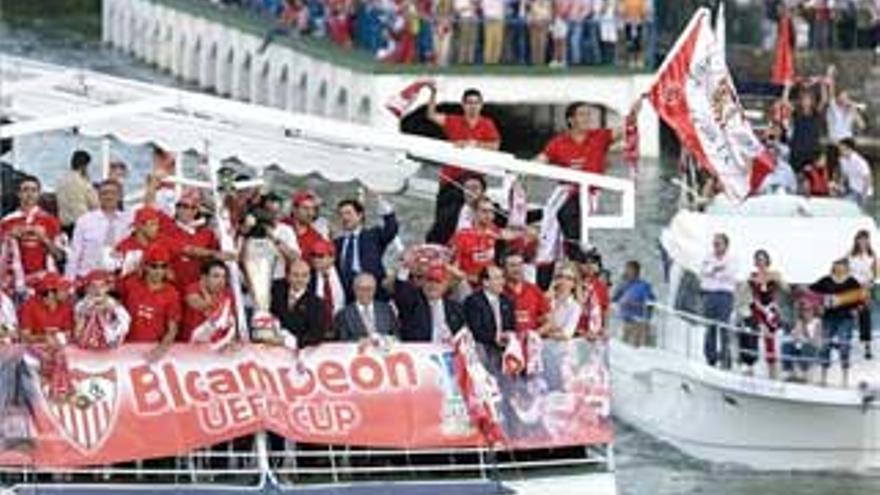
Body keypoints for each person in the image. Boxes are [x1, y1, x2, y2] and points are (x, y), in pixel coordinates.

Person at [536, 101, 636, 263]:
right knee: (548, 220)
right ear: (571, 120)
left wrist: (633, 113)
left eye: (589, 114)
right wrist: (521, 168)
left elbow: (625, 128)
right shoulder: (558, 142)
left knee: (565, 213)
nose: (588, 118)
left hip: (587, 193)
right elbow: (541, 160)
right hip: (564, 192)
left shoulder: (600, 137)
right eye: (582, 114)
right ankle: (561, 256)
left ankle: (576, 252)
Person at [425, 87, 501, 244]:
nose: (473, 107)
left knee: (472, 215)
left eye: (476, 103)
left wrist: (474, 144)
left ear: (481, 105)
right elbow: (431, 115)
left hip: (474, 178)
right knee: (443, 218)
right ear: (463, 105)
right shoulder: (454, 120)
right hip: (451, 178)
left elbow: (495, 145)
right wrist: (433, 93)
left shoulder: (487, 124)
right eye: (469, 103)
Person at [0, 176, 66, 297]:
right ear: (18, 194)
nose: (29, 194)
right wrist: (8, 236)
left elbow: (60, 256)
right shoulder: (7, 221)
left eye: (33, 190)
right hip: (12, 283)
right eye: (25, 190)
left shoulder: (49, 221)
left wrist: (44, 238)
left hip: (43, 282)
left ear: (39, 194)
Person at [18, 273, 75, 401]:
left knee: (62, 355)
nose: (67, 292)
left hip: (58, 346)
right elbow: (24, 336)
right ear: (51, 292)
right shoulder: (29, 305)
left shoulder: (66, 305)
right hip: (33, 349)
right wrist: (44, 337)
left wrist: (58, 337)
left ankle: (61, 390)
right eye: (63, 289)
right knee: (52, 357)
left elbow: (69, 333)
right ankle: (57, 392)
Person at [118, 245, 181, 362]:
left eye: (163, 266)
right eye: (154, 266)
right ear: (145, 266)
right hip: (125, 347)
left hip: (152, 349)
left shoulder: (172, 293)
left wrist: (160, 350)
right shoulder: (130, 284)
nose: (159, 271)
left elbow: (172, 329)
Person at [809, 258, 864, 387]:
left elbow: (862, 298)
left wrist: (856, 310)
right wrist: (818, 306)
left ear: (846, 267)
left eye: (841, 265)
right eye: (836, 265)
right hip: (828, 318)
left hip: (846, 319)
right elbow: (811, 292)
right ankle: (823, 378)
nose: (839, 268)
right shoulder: (826, 280)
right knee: (824, 346)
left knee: (844, 346)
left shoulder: (852, 282)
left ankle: (845, 379)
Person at [167, 189, 232, 293]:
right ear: (177, 208)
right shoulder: (167, 228)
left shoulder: (207, 234)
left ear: (197, 211)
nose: (187, 210)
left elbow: (218, 260)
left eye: (192, 207)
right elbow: (186, 249)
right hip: (174, 289)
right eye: (183, 206)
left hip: (198, 290)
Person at [334, 196, 398, 302]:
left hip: (374, 292)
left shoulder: (373, 235)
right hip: (347, 295)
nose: (344, 218)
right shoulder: (337, 243)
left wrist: (380, 200)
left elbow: (391, 228)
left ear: (360, 215)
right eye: (341, 214)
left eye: (348, 213)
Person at [67, 180, 132, 281]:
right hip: (88, 278)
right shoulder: (85, 220)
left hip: (119, 278)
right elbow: (74, 254)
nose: (109, 197)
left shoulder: (129, 220)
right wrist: (69, 283)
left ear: (120, 196)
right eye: (104, 193)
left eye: (113, 193)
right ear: (99, 196)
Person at [740, 250, 787, 378]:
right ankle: (750, 364)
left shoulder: (774, 275)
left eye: (763, 259)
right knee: (753, 331)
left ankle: (772, 371)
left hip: (770, 309)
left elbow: (785, 288)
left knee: (770, 337)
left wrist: (778, 279)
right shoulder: (753, 275)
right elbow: (743, 291)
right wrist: (749, 281)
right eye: (758, 260)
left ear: (767, 261)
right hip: (757, 308)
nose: (760, 262)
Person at [449, 196, 505, 293]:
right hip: (469, 284)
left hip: (491, 282)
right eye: (484, 211)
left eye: (491, 212)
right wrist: (468, 277)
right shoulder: (462, 236)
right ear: (474, 213)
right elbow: (451, 267)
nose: (489, 215)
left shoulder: (494, 231)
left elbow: (512, 233)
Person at [397, 265, 465, 343]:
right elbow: (402, 292)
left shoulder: (455, 308)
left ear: (445, 286)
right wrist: (405, 267)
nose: (433, 285)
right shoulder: (413, 302)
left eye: (438, 282)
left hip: (447, 350)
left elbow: (462, 334)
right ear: (423, 283)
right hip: (420, 351)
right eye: (429, 280)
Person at [271, 259, 329, 348]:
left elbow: (316, 335)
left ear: (309, 278)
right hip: (273, 349)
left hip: (300, 354)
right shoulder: (275, 293)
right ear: (287, 276)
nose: (300, 279)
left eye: (304, 275)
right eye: (295, 275)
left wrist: (290, 341)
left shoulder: (317, 304)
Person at [700, 233, 737, 369]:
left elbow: (729, 274)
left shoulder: (732, 259)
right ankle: (710, 358)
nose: (715, 246)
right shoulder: (708, 257)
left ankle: (726, 359)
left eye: (718, 243)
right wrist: (716, 269)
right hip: (709, 294)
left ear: (726, 245)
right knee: (710, 327)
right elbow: (704, 271)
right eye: (714, 243)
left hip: (725, 295)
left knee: (724, 327)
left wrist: (714, 271)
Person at [181, 260, 237, 345]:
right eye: (216, 276)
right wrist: (205, 292)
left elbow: (231, 323)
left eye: (224, 277)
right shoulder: (193, 289)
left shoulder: (228, 294)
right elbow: (201, 305)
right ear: (204, 278)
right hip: (191, 347)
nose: (221, 281)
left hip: (217, 346)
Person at [334, 273, 399, 342]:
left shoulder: (386, 310)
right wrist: (362, 342)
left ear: (375, 289)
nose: (365, 292)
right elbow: (343, 340)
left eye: (369, 289)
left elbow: (396, 336)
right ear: (354, 289)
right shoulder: (343, 314)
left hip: (383, 351)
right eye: (361, 289)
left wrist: (385, 341)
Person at [73, 269, 130, 349]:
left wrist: (113, 310)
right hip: (86, 351)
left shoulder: (115, 305)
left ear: (107, 288)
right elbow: (77, 333)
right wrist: (86, 313)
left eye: (102, 286)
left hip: (109, 351)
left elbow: (125, 325)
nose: (97, 290)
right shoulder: (80, 306)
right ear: (87, 288)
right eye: (93, 286)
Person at [464, 265, 516, 349]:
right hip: (483, 345)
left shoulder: (507, 300)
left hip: (505, 345)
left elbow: (511, 325)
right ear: (486, 282)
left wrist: (507, 335)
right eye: (497, 278)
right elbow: (475, 330)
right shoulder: (474, 301)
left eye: (502, 278)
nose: (502, 282)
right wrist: (494, 338)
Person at [114, 206, 174, 278]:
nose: (157, 228)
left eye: (157, 224)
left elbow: (170, 274)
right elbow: (117, 276)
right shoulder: (123, 247)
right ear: (140, 226)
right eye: (153, 224)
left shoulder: (162, 243)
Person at [502, 251, 550, 335]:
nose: (517, 269)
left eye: (520, 265)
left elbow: (549, 320)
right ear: (503, 268)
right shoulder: (498, 291)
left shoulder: (534, 290)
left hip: (531, 342)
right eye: (512, 265)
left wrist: (535, 335)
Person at [55, 150, 98, 237]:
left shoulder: (61, 180)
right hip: (82, 225)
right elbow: (95, 205)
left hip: (64, 225)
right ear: (84, 166)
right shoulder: (83, 182)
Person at [848, 230, 876, 360]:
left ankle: (867, 346)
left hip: (865, 288)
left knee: (865, 316)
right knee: (849, 315)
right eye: (860, 239)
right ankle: (845, 343)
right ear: (856, 240)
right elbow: (844, 271)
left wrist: (869, 284)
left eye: (865, 239)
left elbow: (875, 274)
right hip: (852, 288)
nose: (863, 242)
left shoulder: (872, 256)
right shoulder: (850, 255)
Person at [613, 260, 655, 347]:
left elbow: (650, 303)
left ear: (636, 271)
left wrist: (646, 319)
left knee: (634, 349)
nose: (626, 271)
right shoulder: (624, 285)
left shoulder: (643, 286)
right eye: (626, 269)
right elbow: (615, 298)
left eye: (629, 269)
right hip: (624, 321)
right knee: (623, 347)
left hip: (637, 322)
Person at [788, 80, 828, 172]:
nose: (806, 102)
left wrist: (822, 84)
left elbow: (824, 100)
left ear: (812, 100)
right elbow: (785, 102)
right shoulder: (797, 113)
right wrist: (788, 86)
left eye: (808, 99)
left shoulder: (816, 113)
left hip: (812, 148)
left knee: (812, 175)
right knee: (796, 173)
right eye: (804, 99)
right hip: (797, 149)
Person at [284, 190, 330, 261]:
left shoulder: (316, 238)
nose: (310, 213)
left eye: (313, 209)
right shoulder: (280, 225)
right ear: (294, 209)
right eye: (305, 208)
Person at [781, 301, 820, 383]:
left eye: (809, 310)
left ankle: (804, 375)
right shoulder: (800, 321)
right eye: (805, 310)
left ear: (813, 311)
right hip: (799, 346)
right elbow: (795, 335)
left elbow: (816, 340)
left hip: (810, 347)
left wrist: (805, 338)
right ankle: (789, 372)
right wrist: (796, 334)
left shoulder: (817, 322)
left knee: (806, 347)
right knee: (786, 346)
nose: (806, 312)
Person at [309, 239, 345, 326]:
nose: (315, 259)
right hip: (318, 326)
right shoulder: (309, 276)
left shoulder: (344, 273)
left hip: (342, 324)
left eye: (320, 256)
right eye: (313, 255)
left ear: (332, 258)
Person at [826, 66, 866, 143]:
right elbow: (831, 93)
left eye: (846, 97)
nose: (844, 99)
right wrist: (830, 74)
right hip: (835, 144)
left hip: (848, 145)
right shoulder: (833, 107)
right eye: (842, 97)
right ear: (837, 98)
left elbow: (862, 125)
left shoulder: (851, 111)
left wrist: (854, 110)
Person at [577, 249, 609, 341]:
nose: (589, 266)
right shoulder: (573, 283)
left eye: (593, 262)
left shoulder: (601, 287)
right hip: (577, 333)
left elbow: (605, 310)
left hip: (595, 333)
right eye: (585, 262)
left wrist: (604, 328)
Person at [545, 262, 582, 340]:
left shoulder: (575, 307)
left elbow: (566, 334)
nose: (563, 281)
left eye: (568, 278)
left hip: (563, 349)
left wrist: (546, 330)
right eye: (560, 276)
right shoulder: (546, 300)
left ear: (574, 284)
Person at [837, 138, 873, 206]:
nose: (840, 152)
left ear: (850, 149)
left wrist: (864, 195)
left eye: (842, 150)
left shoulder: (859, 161)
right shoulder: (842, 160)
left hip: (863, 192)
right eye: (839, 150)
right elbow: (844, 174)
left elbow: (867, 178)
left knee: (847, 206)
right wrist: (840, 185)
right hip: (853, 190)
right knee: (842, 205)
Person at [527, 0, 553, 66]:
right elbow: (529, 15)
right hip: (534, 25)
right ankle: (534, 61)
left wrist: (544, 22)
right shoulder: (533, 3)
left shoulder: (548, 3)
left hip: (543, 25)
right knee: (534, 44)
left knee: (542, 44)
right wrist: (532, 22)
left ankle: (541, 62)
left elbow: (549, 15)